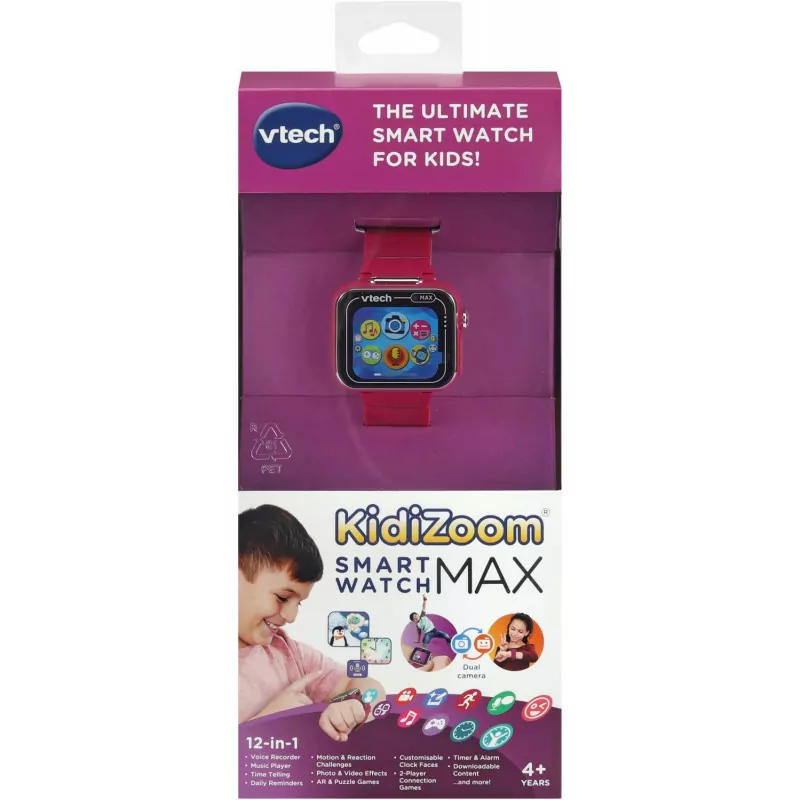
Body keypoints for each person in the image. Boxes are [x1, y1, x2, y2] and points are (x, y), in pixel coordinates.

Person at [239, 505, 385, 741]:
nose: (291, 616)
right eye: (282, 598)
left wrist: (355, 706)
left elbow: (367, 685)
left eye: (299, 603)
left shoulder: (289, 653)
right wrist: (267, 723)